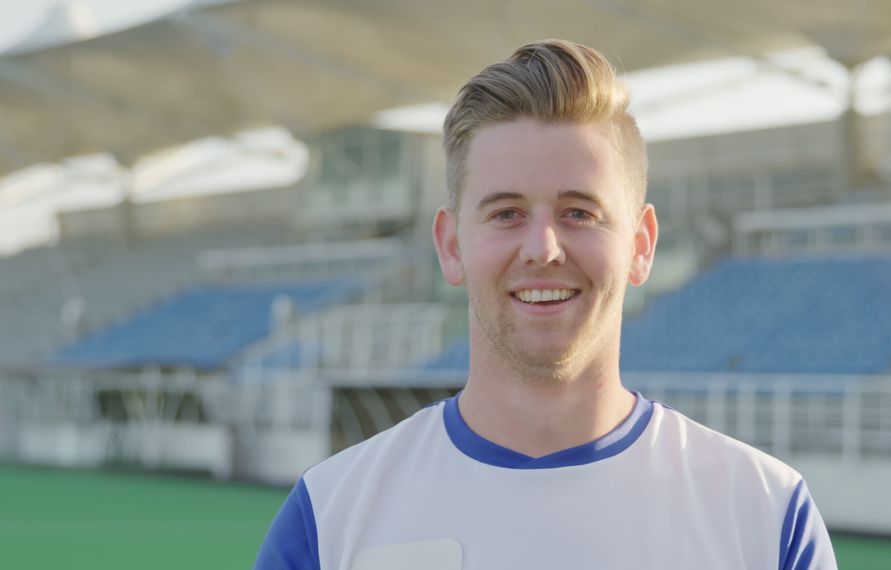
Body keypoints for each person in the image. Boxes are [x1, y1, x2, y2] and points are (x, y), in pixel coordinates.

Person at [255, 39, 837, 570]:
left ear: (640, 246)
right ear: (451, 246)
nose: (543, 249)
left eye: (578, 212)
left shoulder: (766, 514)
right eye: (506, 213)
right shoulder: (330, 516)